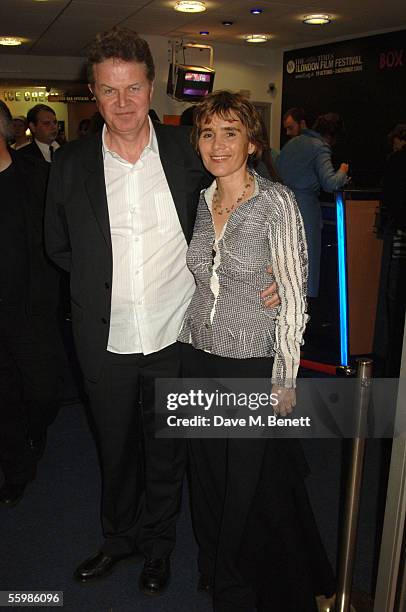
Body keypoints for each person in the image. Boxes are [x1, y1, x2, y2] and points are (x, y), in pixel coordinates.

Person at [44, 26, 282, 596]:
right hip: (106, 340)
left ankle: (158, 549)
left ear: (151, 87)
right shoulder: (71, 164)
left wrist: (275, 269)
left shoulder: (186, 150)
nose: (122, 103)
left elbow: (247, 191)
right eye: (108, 90)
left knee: (167, 454)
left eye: (132, 88)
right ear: (94, 94)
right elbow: (58, 245)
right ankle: (117, 539)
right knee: (115, 450)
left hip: (178, 337)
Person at [178, 91, 335, 611]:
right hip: (197, 353)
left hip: (249, 361)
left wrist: (285, 379)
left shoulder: (276, 203)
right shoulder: (201, 200)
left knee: (245, 481)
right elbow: (203, 280)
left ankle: (235, 583)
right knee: (207, 475)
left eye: (229, 133)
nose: (217, 144)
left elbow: (292, 294)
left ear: (251, 142)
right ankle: (211, 563)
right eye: (207, 133)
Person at [0, 101, 62, 506]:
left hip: (33, 310)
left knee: (43, 393)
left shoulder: (38, 175)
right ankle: (17, 469)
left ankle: (34, 431)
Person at [278, 112, 349, 297]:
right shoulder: (320, 147)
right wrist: (342, 171)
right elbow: (330, 183)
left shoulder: (292, 144)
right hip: (305, 208)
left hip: (282, 206)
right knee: (307, 262)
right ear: (332, 136)